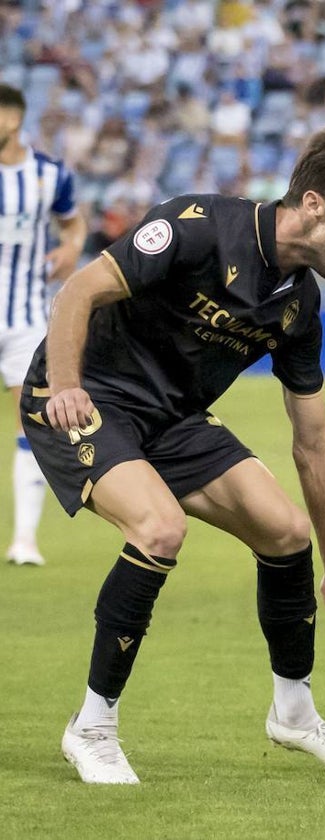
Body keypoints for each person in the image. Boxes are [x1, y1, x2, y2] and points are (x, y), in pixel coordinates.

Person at [21, 124, 325, 784]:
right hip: (83, 396)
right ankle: (92, 727)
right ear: (314, 204)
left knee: (286, 532)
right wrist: (64, 387)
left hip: (172, 420)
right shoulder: (197, 226)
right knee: (159, 528)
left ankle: (294, 713)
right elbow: (79, 290)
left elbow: (313, 441)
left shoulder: (300, 307)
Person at [0, 84, 87, 566]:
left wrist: (72, 248)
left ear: (12, 120)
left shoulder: (49, 175)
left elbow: (72, 223)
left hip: (25, 315)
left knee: (31, 422)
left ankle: (24, 539)